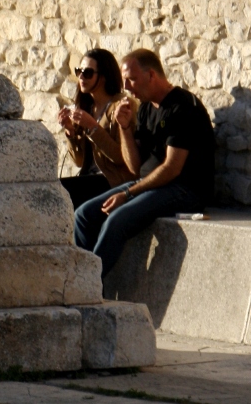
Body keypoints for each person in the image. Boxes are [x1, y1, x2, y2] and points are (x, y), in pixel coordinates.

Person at [73, 48, 215, 278]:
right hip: (150, 183)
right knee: (84, 215)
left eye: (131, 79)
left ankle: (86, 285)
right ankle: (83, 278)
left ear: (151, 76)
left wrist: (128, 194)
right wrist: (125, 128)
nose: (127, 87)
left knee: (117, 221)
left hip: (184, 189)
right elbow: (134, 167)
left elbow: (171, 169)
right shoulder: (147, 107)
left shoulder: (182, 107)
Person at [58, 49, 138, 208]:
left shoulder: (121, 106)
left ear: (104, 77)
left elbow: (119, 157)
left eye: (87, 73)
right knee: (56, 191)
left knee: (63, 195)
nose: (81, 77)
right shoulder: (87, 107)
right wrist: (71, 132)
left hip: (113, 181)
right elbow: (79, 162)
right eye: (79, 71)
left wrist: (93, 127)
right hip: (90, 179)